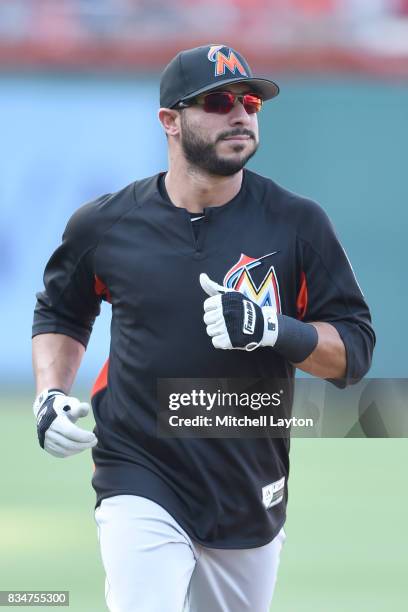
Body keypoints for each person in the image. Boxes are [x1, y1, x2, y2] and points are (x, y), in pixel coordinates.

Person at [32, 44, 375, 612]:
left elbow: (355, 352)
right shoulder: (106, 224)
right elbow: (62, 313)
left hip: (247, 483)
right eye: (217, 102)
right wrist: (49, 392)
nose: (240, 113)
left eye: (249, 102)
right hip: (136, 468)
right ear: (169, 121)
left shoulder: (298, 224)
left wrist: (275, 329)